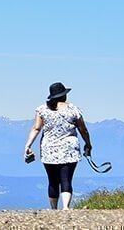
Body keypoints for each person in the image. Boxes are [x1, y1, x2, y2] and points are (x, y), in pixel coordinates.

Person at [24, 82, 93, 210]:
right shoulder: (73, 109)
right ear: (64, 96)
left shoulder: (42, 110)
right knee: (66, 178)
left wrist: (28, 145)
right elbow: (83, 129)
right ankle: (66, 207)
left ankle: (54, 209)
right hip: (69, 148)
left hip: (49, 148)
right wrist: (88, 144)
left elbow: (36, 128)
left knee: (52, 180)